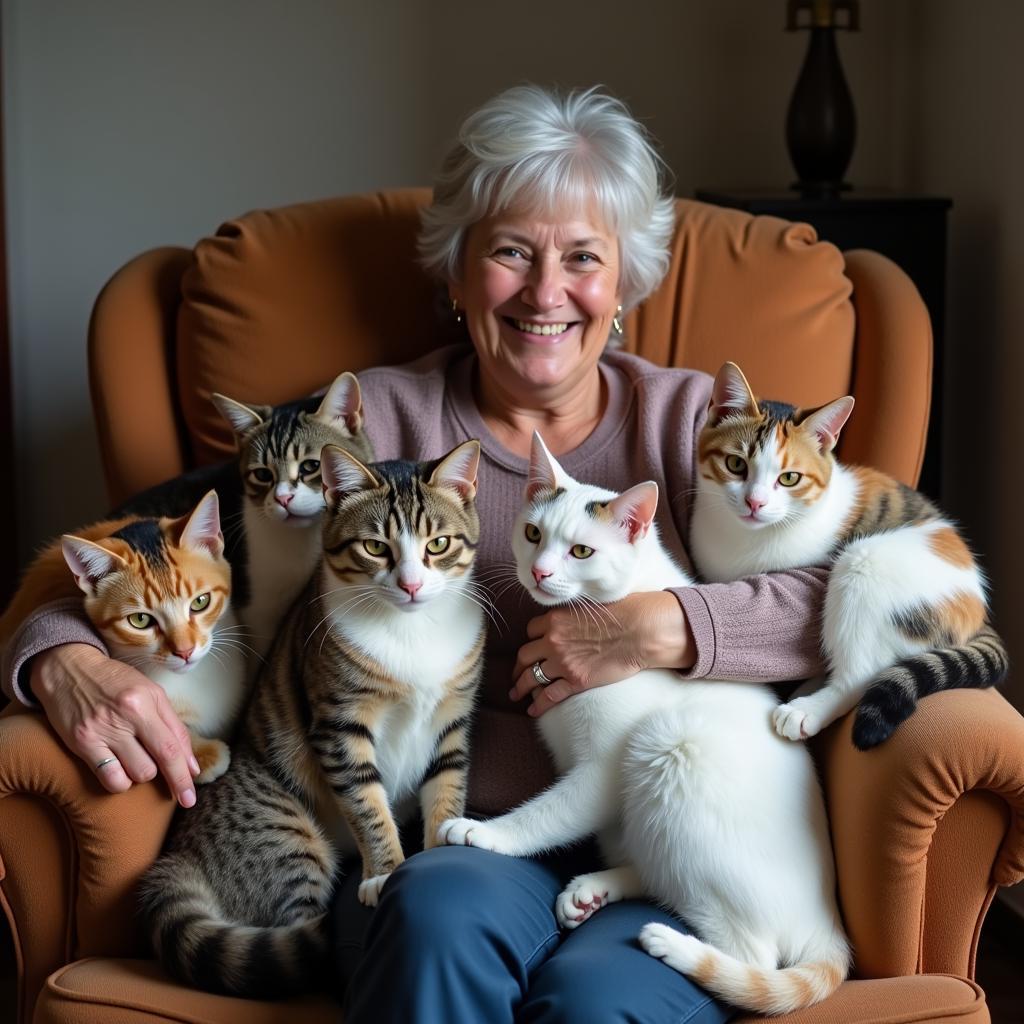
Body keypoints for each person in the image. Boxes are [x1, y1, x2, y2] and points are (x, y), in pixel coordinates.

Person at [3, 85, 828, 1023]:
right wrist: (58, 656)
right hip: (448, 846)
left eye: (583, 259)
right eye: (511, 251)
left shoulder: (697, 426)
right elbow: (154, 550)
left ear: (627, 282)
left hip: (656, 842)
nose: (546, 292)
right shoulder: (366, 423)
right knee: (435, 916)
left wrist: (670, 626)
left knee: (605, 999)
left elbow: (862, 595)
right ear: (456, 273)